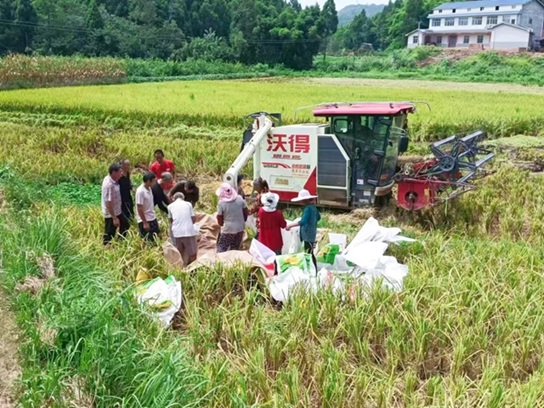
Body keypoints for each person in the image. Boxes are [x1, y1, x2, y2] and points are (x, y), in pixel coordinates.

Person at [286, 189, 321, 268]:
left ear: (304, 200)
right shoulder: (313, 207)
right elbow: (318, 217)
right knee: (310, 251)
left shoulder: (307, 209)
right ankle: (312, 268)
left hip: (307, 234)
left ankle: (313, 269)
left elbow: (303, 222)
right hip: (312, 232)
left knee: (309, 253)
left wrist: (290, 225)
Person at [101, 163, 129, 245]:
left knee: (125, 224)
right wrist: (114, 218)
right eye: (120, 172)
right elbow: (108, 202)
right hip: (111, 213)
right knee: (110, 231)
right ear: (113, 172)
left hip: (117, 210)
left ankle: (120, 241)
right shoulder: (109, 185)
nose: (121, 174)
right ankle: (106, 246)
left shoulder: (114, 180)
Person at [216, 183, 248, 253]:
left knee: (222, 246)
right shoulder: (240, 199)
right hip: (240, 228)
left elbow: (220, 219)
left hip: (228, 229)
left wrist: (221, 223)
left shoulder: (221, 203)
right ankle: (233, 261)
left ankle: (221, 261)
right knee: (235, 248)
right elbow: (246, 213)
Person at [168, 192, 197, 266]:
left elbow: (170, 221)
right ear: (183, 198)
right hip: (188, 232)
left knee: (179, 252)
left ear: (173, 199)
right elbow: (193, 219)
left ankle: (181, 268)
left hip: (177, 233)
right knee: (192, 253)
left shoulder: (170, 206)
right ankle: (192, 268)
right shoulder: (188, 204)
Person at [136, 172, 160, 241]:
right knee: (147, 239)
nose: (154, 183)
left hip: (152, 217)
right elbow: (139, 208)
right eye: (153, 181)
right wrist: (145, 222)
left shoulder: (149, 189)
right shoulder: (140, 192)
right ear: (148, 181)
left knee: (156, 237)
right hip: (145, 219)